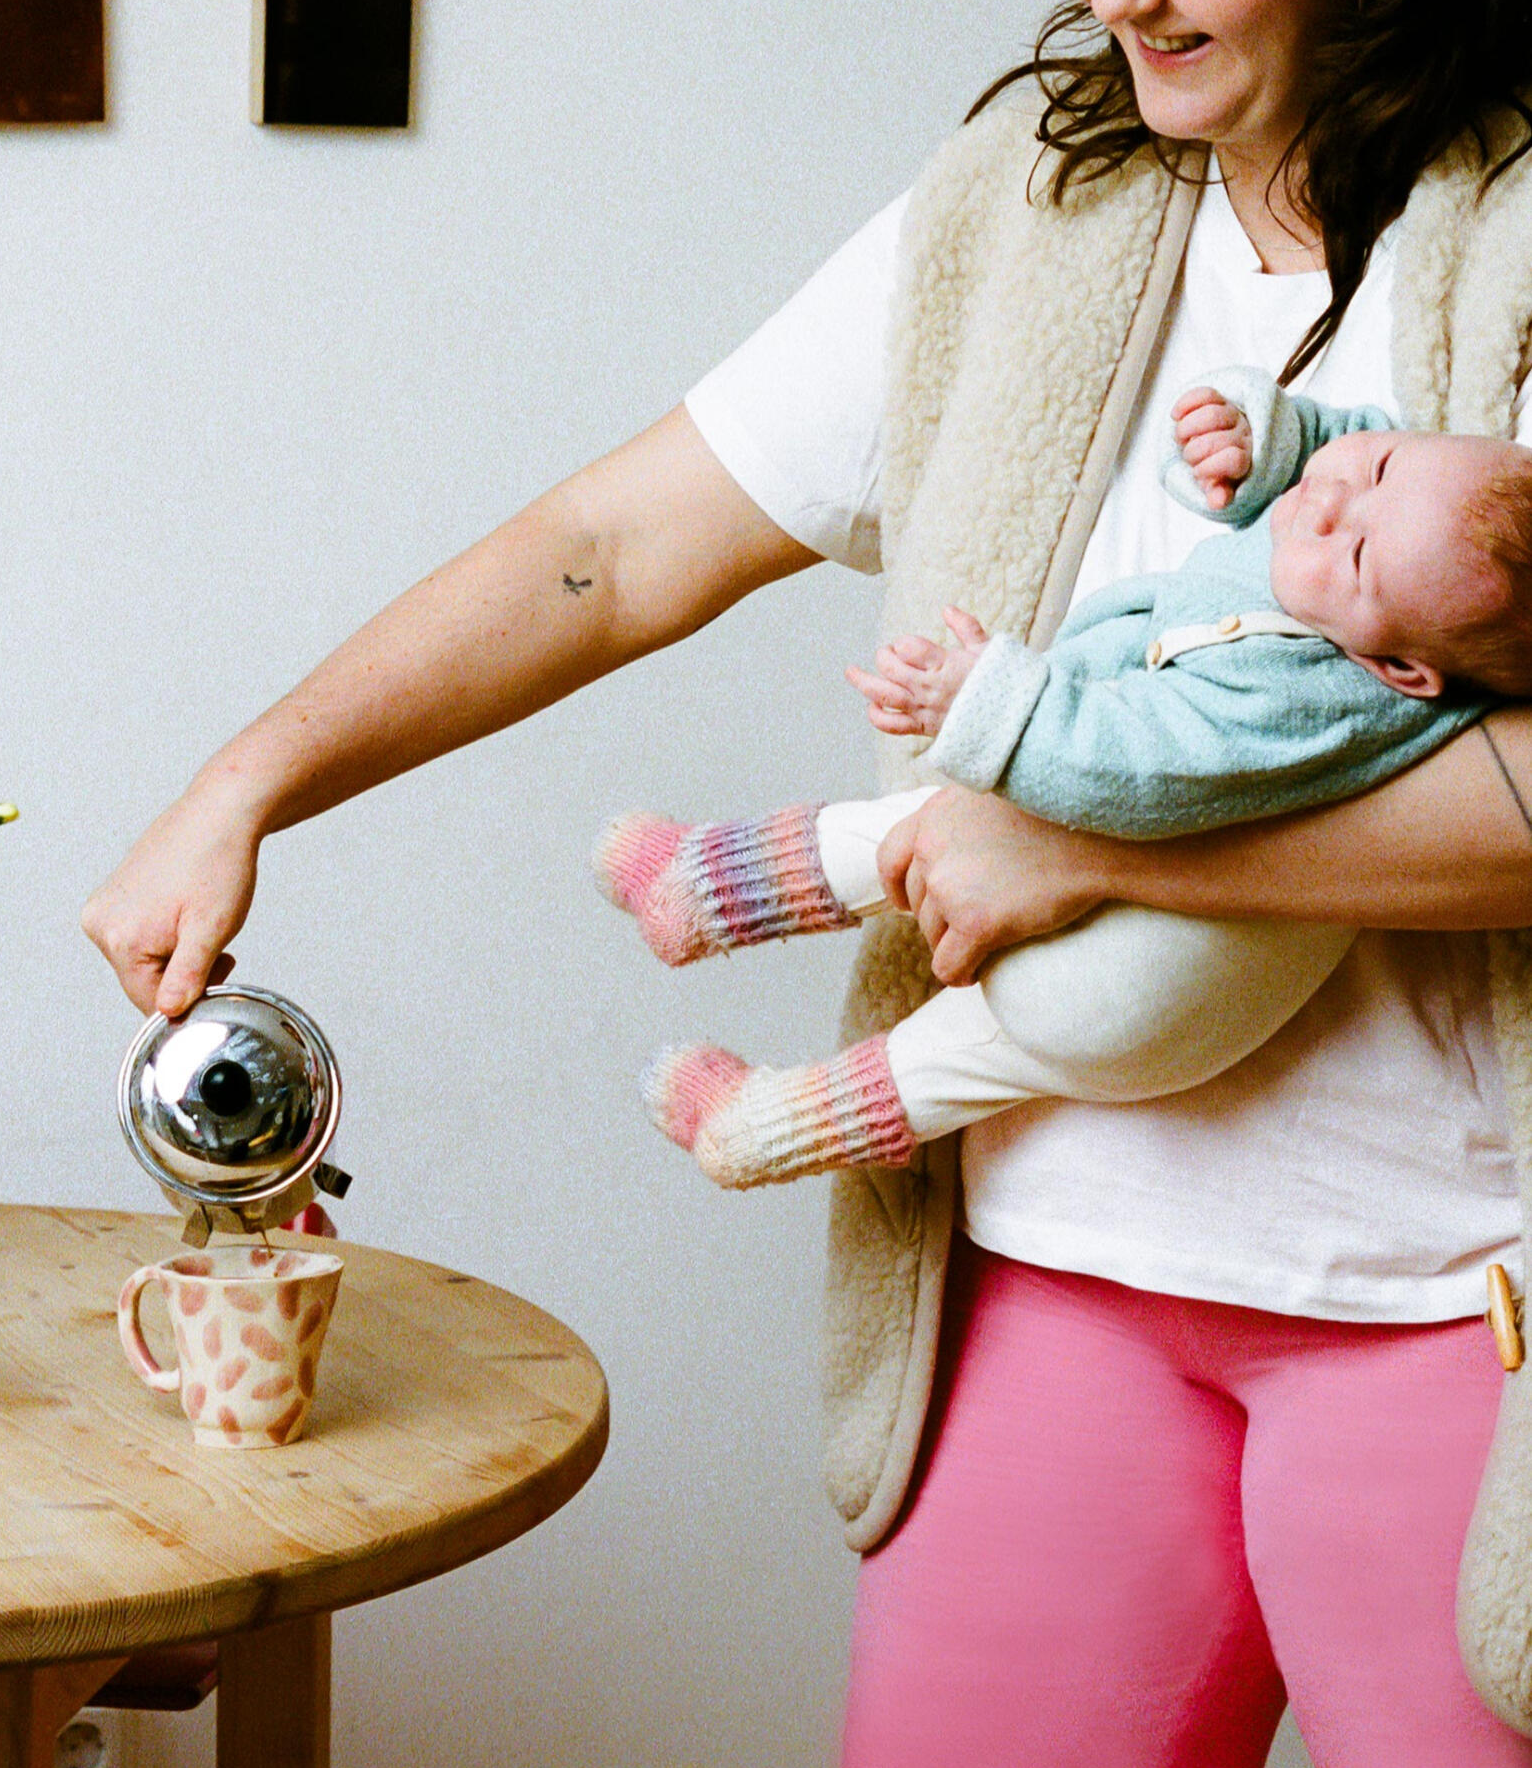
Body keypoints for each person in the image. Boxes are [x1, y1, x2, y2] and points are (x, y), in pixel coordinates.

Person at [84, 0, 1532, 1768]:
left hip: (1454, 1307)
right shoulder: (1032, 210)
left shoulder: (1507, 247)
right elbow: (616, 542)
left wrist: (1094, 856)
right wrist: (249, 773)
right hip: (1054, 1271)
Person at [599, 376, 1532, 1187]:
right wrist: (1266, 438)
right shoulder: (1399, 535)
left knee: (959, 854)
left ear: (1402, 672)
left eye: (1359, 553)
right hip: (1141, 989)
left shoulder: (1300, 691)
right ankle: (751, 1094)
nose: (1330, 505)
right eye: (1379, 468)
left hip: (1141, 985)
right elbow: (1348, 444)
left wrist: (985, 703)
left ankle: (712, 906)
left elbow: (1141, 762)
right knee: (957, 1049)